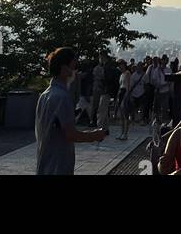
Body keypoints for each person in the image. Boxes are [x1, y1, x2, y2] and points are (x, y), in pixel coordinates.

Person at [35, 47, 107, 175]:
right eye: (73, 67)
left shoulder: (45, 95)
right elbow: (71, 134)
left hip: (45, 162)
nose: (75, 72)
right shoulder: (62, 97)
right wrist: (95, 135)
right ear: (64, 69)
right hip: (59, 165)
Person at [116, 59, 132, 140]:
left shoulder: (127, 73)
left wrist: (126, 96)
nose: (120, 66)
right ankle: (122, 132)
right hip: (121, 93)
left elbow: (128, 86)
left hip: (125, 92)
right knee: (121, 116)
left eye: (121, 64)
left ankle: (125, 133)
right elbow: (120, 85)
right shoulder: (121, 74)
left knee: (125, 115)